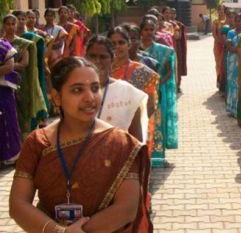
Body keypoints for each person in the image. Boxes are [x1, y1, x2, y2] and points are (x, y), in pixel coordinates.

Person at [9, 56, 153, 233]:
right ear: (57, 97)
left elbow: (126, 209)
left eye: (95, 88)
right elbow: (18, 204)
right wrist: (59, 232)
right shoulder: (38, 142)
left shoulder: (121, 143)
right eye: (77, 90)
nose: (90, 97)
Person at [85, 35, 148, 143]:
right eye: (92, 56)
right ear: (85, 58)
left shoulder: (128, 93)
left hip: (118, 157)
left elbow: (136, 141)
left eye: (103, 57)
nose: (97, 61)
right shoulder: (74, 91)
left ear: (112, 59)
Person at [108, 27, 160, 151]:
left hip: (133, 132)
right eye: (112, 43)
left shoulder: (142, 72)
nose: (117, 46)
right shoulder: (102, 72)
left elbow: (151, 106)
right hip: (107, 131)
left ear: (128, 44)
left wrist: (132, 126)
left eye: (121, 42)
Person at [140, 18, 178, 167]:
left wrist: (157, 83)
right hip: (138, 92)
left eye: (151, 29)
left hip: (157, 92)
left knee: (157, 123)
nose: (149, 32)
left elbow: (169, 71)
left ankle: (158, 158)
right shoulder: (136, 50)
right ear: (141, 31)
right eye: (146, 29)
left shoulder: (163, 50)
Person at [2, 14, 47, 136]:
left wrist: (8, 66)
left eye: (13, 24)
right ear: (3, 25)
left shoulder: (23, 43)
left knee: (22, 112)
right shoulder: (1, 42)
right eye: (8, 24)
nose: (11, 27)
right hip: (2, 83)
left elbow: (24, 63)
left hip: (19, 83)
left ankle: (23, 141)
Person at [0, 38, 22, 166]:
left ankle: (8, 156)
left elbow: (10, 67)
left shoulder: (4, 46)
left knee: (6, 122)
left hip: (3, 91)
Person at [225, 12, 241, 117]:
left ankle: (239, 109)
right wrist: (239, 50)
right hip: (233, 61)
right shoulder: (230, 33)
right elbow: (229, 47)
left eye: (240, 21)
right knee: (232, 83)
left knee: (240, 83)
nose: (238, 23)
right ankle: (232, 108)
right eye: (236, 21)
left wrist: (239, 50)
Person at [212, 4, 226, 91]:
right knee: (218, 64)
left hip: (226, 45)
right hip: (218, 45)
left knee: (224, 64)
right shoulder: (215, 22)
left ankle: (224, 84)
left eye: (223, 9)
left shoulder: (227, 21)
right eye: (220, 9)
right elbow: (214, 34)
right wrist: (220, 42)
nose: (221, 11)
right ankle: (219, 82)